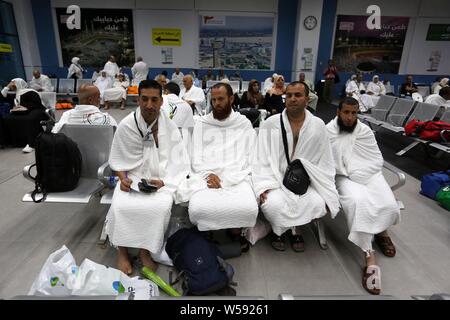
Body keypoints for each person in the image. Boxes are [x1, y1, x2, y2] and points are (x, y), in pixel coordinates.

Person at [105, 80, 191, 275]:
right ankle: (123, 251)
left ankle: (144, 251)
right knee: (120, 206)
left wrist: (165, 181)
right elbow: (118, 160)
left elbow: (178, 159)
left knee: (158, 207)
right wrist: (122, 178)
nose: (149, 105)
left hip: (160, 179)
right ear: (138, 100)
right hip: (132, 178)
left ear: (162, 102)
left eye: (154, 100)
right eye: (144, 99)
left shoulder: (169, 126)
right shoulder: (127, 125)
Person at [252, 81, 340, 252]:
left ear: (307, 99)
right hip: (275, 178)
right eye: (289, 95)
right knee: (273, 204)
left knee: (316, 202)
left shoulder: (318, 125)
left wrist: (327, 189)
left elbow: (326, 160)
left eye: (298, 95)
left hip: (306, 180)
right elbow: (259, 156)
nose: (292, 99)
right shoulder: (271, 123)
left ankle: (295, 228)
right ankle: (279, 229)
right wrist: (262, 185)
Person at [326, 97, 401, 295]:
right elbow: (325, 161)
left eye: (354, 113)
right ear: (338, 112)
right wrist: (349, 172)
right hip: (343, 176)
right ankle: (369, 255)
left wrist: (361, 172)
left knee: (389, 204)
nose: (350, 117)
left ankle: (382, 232)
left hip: (369, 175)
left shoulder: (365, 131)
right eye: (346, 112)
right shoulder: (328, 132)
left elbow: (376, 159)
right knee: (358, 202)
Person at [188, 82, 258, 251]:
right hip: (206, 175)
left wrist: (232, 175)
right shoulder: (202, 123)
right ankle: (208, 231)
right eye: (213, 100)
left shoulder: (243, 123)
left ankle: (236, 230)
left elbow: (251, 156)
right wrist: (207, 174)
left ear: (231, 99)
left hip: (237, 175)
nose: (217, 103)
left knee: (247, 207)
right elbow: (195, 155)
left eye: (221, 99)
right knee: (198, 208)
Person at [52, 84, 117, 133]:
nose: (100, 99)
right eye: (98, 97)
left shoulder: (66, 116)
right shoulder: (108, 119)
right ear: (90, 100)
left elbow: (55, 132)